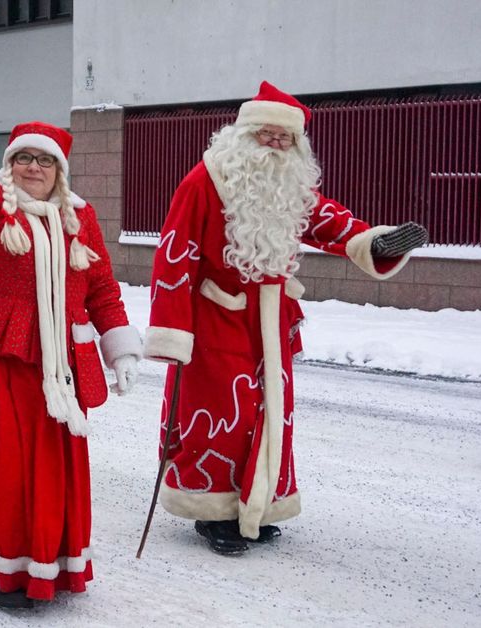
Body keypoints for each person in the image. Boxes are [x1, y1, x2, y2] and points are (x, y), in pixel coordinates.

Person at [144, 81, 429, 555]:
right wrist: (173, 332)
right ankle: (213, 512)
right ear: (244, 134)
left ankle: (257, 503)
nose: (275, 145)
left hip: (270, 324)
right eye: (266, 135)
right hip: (216, 317)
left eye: (285, 139)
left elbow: (326, 220)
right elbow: (175, 256)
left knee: (268, 414)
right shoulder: (203, 182)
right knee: (217, 418)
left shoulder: (289, 186)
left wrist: (372, 243)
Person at [0, 87, 143, 608]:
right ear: (9, 165)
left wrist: (121, 346)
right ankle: (2, 568)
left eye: (43, 159)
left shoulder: (79, 221)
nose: (32, 167)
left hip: (59, 363)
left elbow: (102, 288)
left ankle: (46, 561)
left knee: (49, 465)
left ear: (59, 170)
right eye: (22, 157)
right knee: (0, 464)